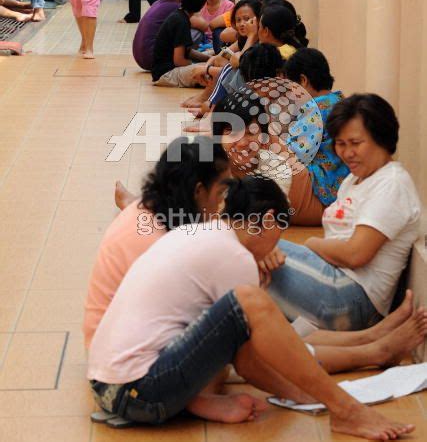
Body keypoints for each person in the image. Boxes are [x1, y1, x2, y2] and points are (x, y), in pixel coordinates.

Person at [87, 176, 415, 439]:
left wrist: (298, 391)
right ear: (269, 220)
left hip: (111, 387)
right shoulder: (235, 256)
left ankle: (201, 402)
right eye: (279, 233)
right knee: (251, 302)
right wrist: (308, 393)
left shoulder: (204, 234)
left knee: (247, 310)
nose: (276, 245)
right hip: (137, 392)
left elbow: (238, 353)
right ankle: (347, 409)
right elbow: (250, 361)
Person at [267, 93, 421, 330]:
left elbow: (355, 254)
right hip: (330, 278)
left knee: (249, 246)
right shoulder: (353, 180)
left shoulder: (391, 183)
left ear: (382, 138)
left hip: (352, 298)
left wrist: (312, 244)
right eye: (340, 144)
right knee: (250, 253)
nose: (347, 153)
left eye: (356, 143)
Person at [84, 136, 231, 348]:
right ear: (198, 192)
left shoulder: (160, 211)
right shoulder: (158, 243)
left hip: (123, 340)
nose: (221, 202)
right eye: (220, 193)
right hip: (124, 354)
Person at [281, 48, 350, 225]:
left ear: (303, 81)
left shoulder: (315, 110)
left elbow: (296, 153)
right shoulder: (339, 101)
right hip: (340, 185)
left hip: (322, 187)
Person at [151, 0, 210, 87]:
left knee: (211, 65)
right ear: (202, 4)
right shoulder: (181, 21)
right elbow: (179, 60)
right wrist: (198, 65)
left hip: (163, 71)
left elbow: (186, 51)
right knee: (213, 71)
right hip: (167, 74)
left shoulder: (179, 16)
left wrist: (208, 59)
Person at [132, 0, 183, 71]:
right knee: (193, 31)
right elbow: (202, 25)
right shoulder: (176, 7)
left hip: (139, 57)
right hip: (152, 59)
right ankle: (181, 60)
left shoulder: (157, 3)